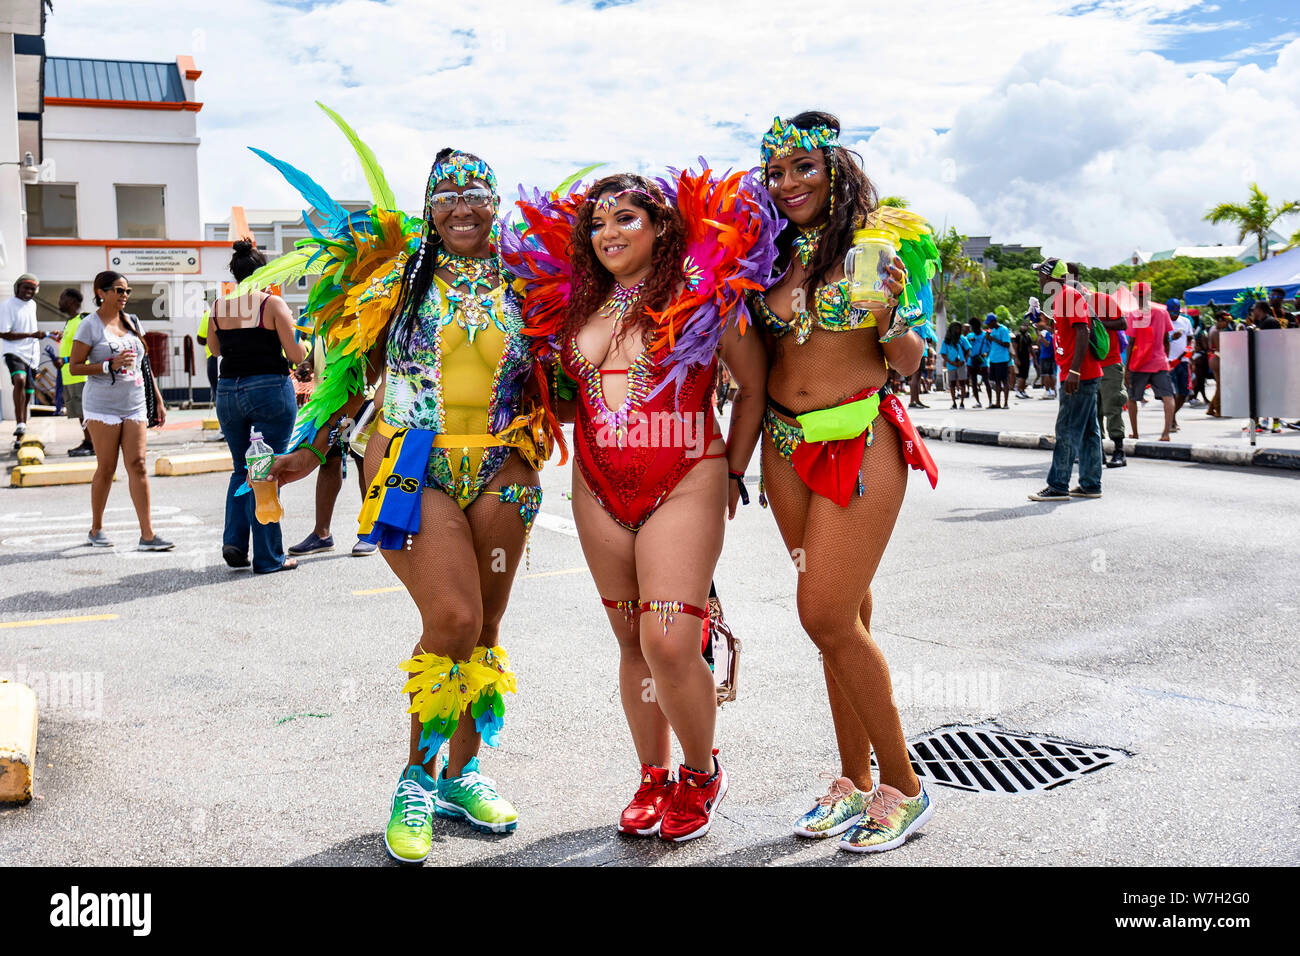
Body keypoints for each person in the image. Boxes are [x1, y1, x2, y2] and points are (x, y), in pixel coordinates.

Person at [266, 138, 561, 864]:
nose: (463, 207)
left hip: (505, 465)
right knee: (451, 616)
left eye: (476, 194)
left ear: (496, 204)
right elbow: (348, 371)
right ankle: (417, 780)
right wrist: (308, 446)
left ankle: (463, 774)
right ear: (429, 207)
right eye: (448, 195)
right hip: (409, 461)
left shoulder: (529, 279)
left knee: (484, 627)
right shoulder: (393, 278)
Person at [509, 168, 770, 842]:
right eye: (596, 223)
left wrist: (735, 469)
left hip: (686, 476)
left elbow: (753, 381)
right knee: (632, 640)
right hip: (597, 487)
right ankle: (653, 777)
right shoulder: (575, 308)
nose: (608, 233)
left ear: (660, 227)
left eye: (626, 218)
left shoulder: (705, 296)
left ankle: (699, 771)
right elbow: (574, 399)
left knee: (668, 637)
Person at [747, 112, 939, 853]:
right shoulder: (771, 251)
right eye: (777, 171)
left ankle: (907, 788)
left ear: (837, 169)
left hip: (859, 438)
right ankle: (856, 784)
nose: (789, 183)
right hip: (784, 448)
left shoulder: (880, 245)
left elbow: (910, 360)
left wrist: (890, 312)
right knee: (843, 621)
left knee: (823, 614)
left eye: (804, 167)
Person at [208, 241, 307, 573]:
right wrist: (303, 344)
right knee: (266, 472)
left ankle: (235, 542)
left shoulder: (219, 306)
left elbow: (215, 348)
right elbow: (295, 356)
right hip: (268, 388)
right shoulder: (272, 303)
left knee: (241, 467)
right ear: (265, 272)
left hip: (228, 389)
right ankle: (268, 557)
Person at [66, 271, 173, 550]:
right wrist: (107, 365)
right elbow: (74, 366)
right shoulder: (89, 325)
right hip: (102, 405)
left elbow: (144, 365)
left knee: (137, 464)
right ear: (101, 292)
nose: (124, 296)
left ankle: (147, 536)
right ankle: (96, 528)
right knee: (107, 467)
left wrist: (158, 400)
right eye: (118, 290)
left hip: (134, 402)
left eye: (127, 291)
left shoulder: (133, 321)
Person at [1029, 258, 1103, 501]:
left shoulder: (1068, 296)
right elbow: (1068, 333)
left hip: (1078, 376)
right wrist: (1045, 324)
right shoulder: (1062, 299)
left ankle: (1058, 485)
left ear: (1050, 276)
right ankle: (1091, 484)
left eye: (1041, 274)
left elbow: (1083, 330)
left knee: (1067, 429)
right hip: (1082, 374)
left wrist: (1075, 371)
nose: (1038, 278)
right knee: (1089, 431)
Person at [1124, 281, 1175, 441]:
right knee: (1168, 397)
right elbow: (1167, 340)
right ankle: (1166, 433)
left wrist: (1127, 368)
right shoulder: (1163, 313)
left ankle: (1135, 433)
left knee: (1132, 399)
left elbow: (1131, 342)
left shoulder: (1134, 315)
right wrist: (1165, 356)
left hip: (1139, 363)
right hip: (1159, 361)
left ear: (1134, 296)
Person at [1084, 286, 1129, 468]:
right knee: (1093, 411)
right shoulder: (1068, 307)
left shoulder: (1101, 300)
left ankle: (1119, 451)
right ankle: (1098, 452)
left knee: (1112, 406)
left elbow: (1123, 323)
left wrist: (1096, 322)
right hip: (1088, 365)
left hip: (1110, 362)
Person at [0, 273, 46, 449]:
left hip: (32, 355)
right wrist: (31, 335)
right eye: (26, 287)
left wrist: (43, 334)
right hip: (13, 352)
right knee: (19, 380)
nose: (29, 291)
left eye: (32, 289)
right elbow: (3, 333)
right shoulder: (7, 306)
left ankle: (21, 430)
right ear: (17, 287)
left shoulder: (32, 305)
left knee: (28, 393)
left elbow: (31, 329)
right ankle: (19, 422)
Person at [55, 288, 95, 456]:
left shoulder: (81, 321)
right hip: (69, 377)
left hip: (80, 376)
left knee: (85, 413)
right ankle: (87, 441)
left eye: (62, 299)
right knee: (79, 413)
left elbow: (87, 350)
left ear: (71, 301)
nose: (59, 302)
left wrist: (64, 360)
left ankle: (92, 444)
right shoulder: (70, 322)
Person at [1166, 298, 1193, 429]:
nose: (1174, 316)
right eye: (1172, 313)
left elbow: (1190, 338)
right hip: (1169, 362)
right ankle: (1171, 421)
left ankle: (1171, 416)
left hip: (1183, 361)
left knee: (1184, 393)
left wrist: (1189, 350)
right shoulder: (1163, 322)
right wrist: (1172, 338)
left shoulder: (1186, 321)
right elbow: (1158, 340)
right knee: (1171, 393)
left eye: (1176, 313)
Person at [983, 312, 1011, 408]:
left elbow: (1006, 344)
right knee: (996, 381)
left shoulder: (1003, 329)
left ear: (994, 321)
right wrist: (989, 338)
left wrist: (993, 339)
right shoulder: (993, 330)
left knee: (1004, 380)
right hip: (993, 358)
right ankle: (998, 402)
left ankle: (1006, 403)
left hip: (1002, 359)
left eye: (989, 323)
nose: (988, 325)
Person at [940, 320, 968, 409]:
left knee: (962, 383)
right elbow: (943, 353)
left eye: (959, 328)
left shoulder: (962, 339)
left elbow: (968, 350)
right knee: (952, 384)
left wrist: (964, 360)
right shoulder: (946, 341)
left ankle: (962, 402)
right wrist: (950, 362)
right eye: (955, 328)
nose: (958, 330)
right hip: (951, 365)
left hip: (961, 364)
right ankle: (954, 402)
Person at [966, 318, 988, 407]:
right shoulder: (970, 336)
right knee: (974, 382)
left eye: (974, 327)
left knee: (986, 381)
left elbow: (989, 348)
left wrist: (985, 355)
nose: (973, 328)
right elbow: (966, 348)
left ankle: (990, 401)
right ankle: (978, 402)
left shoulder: (985, 335)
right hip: (972, 361)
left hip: (983, 361)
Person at [1013, 314, 1034, 399]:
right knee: (1021, 375)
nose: (1024, 327)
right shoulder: (1018, 336)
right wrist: (1016, 358)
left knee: (1025, 375)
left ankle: (1022, 390)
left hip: (1026, 358)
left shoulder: (1028, 336)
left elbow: (1031, 348)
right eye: (1023, 326)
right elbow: (1015, 348)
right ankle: (1018, 390)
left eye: (1026, 326)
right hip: (1020, 358)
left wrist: (1034, 358)